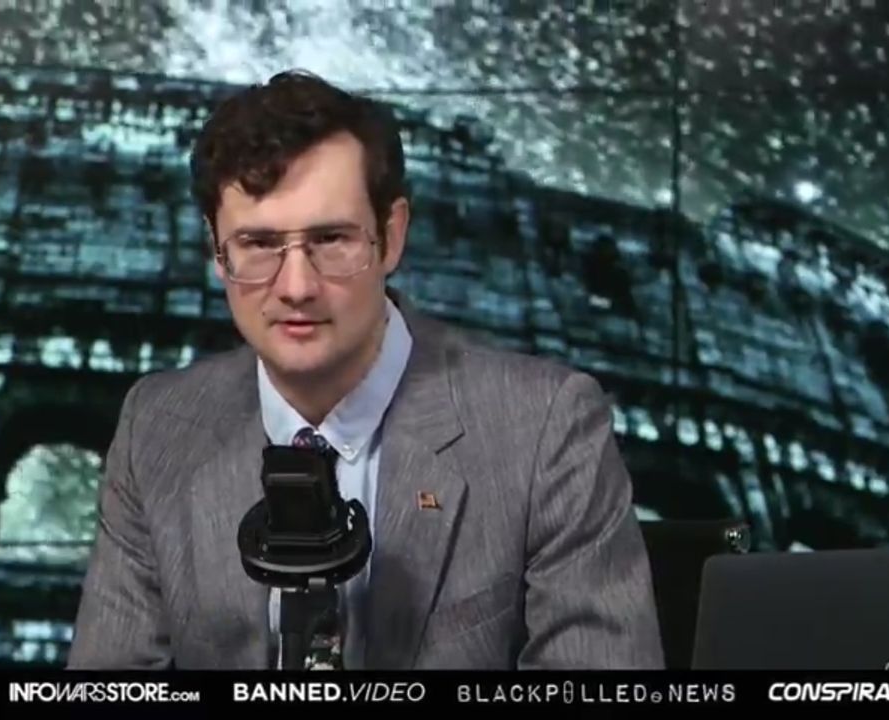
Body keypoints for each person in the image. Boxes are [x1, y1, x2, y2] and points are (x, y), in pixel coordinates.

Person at [66, 70, 664, 670]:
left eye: (331, 240)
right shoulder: (157, 429)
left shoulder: (545, 429)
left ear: (391, 237)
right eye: (259, 245)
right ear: (217, 253)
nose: (296, 286)